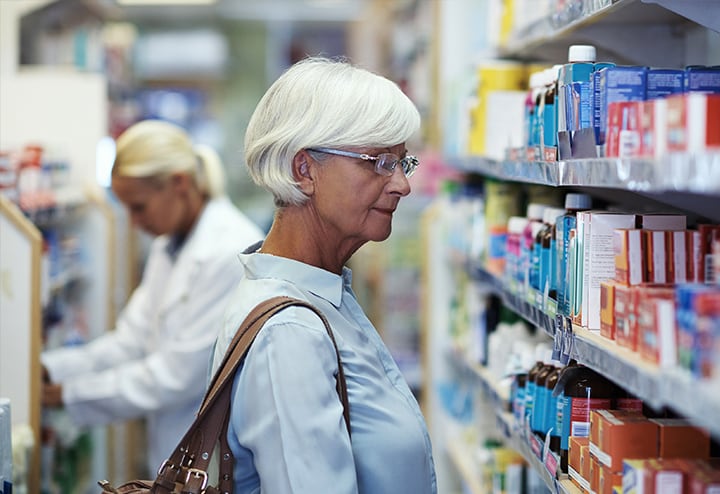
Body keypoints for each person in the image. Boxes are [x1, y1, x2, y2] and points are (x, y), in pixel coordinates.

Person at [209, 56, 436, 493]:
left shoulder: (322, 294)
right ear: (304, 170)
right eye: (379, 162)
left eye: (402, 163)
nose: (402, 185)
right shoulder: (288, 333)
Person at [40, 119, 264, 475]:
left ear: (179, 183)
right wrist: (50, 369)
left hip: (221, 463)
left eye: (139, 207)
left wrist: (69, 394)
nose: (133, 221)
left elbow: (176, 377)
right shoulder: (167, 247)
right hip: (177, 451)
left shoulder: (230, 252)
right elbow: (130, 341)